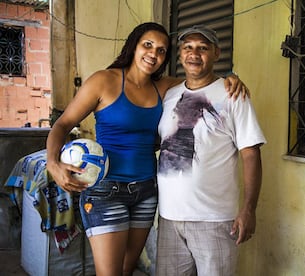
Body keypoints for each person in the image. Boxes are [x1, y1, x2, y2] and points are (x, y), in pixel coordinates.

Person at [46, 22, 247, 276]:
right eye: (148, 45)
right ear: (134, 46)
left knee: (127, 269)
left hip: (146, 191)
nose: (153, 54)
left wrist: (232, 76)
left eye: (161, 50)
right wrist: (53, 163)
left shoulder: (163, 88)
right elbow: (62, 124)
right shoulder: (104, 81)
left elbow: (200, 78)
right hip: (107, 190)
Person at [156, 25, 266, 276]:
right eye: (188, 48)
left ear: (216, 53)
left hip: (213, 219)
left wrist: (249, 209)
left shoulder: (233, 95)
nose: (194, 54)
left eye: (202, 48)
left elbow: (251, 154)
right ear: (180, 55)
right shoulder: (170, 95)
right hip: (169, 218)